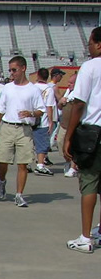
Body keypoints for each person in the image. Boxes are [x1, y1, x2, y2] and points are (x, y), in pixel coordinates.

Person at [63, 26, 101, 253]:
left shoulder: (90, 67)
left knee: (89, 183)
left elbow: (78, 103)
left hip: (93, 132)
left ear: (98, 44)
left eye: (90, 42)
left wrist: (68, 136)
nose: (88, 46)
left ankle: (86, 237)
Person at [0, 56, 46, 207]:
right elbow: (1, 110)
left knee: (23, 163)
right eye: (10, 70)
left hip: (25, 129)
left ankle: (19, 194)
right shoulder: (7, 88)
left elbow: (41, 110)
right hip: (7, 127)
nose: (12, 73)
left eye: (14, 70)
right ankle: (2, 181)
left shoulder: (33, 90)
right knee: (2, 160)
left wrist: (31, 113)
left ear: (23, 68)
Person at [32, 67, 56, 176]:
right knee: (42, 143)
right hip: (43, 120)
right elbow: (49, 106)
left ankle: (27, 164)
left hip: (31, 118)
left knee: (30, 142)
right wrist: (51, 121)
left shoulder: (32, 87)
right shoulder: (49, 89)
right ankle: (40, 165)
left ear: (38, 76)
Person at [58, 72, 78, 177]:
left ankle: (73, 167)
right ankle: (67, 160)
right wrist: (61, 102)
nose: (68, 84)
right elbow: (59, 107)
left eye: (71, 83)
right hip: (63, 124)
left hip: (73, 125)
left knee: (73, 145)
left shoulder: (79, 93)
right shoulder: (66, 92)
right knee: (60, 142)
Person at [49, 67, 66, 152]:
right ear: (56, 75)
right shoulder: (54, 87)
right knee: (52, 134)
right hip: (53, 113)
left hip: (47, 113)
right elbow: (60, 100)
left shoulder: (47, 85)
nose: (61, 77)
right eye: (60, 75)